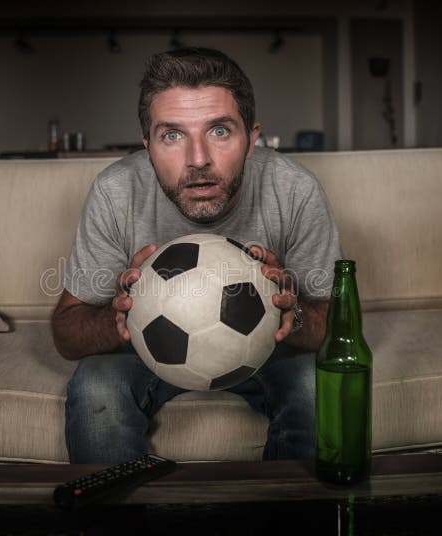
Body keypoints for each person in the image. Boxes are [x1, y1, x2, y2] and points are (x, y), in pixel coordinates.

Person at [52, 47, 341, 464]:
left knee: (317, 386)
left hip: (264, 353)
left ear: (252, 139)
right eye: (172, 135)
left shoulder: (294, 189)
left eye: (220, 131)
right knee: (95, 387)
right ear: (147, 144)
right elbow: (66, 332)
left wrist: (288, 311)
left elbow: (337, 324)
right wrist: (120, 317)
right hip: (148, 353)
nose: (199, 159)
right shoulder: (116, 191)